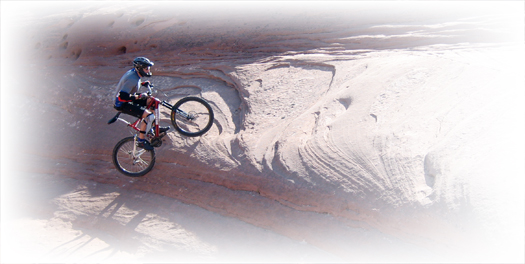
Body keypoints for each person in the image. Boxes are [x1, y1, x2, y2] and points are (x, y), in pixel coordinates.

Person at [114, 57, 169, 150]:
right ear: (140, 68)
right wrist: (139, 96)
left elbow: (133, 85)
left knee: (151, 101)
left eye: (149, 68)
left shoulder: (135, 73)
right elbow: (122, 96)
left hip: (128, 98)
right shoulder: (132, 78)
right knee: (149, 116)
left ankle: (155, 128)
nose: (148, 70)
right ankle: (141, 141)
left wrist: (144, 84)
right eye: (146, 68)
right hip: (122, 104)